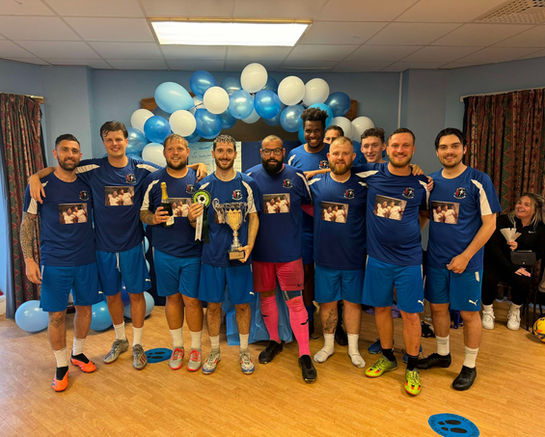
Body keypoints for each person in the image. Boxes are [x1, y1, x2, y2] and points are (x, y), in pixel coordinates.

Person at [29, 121, 206, 371]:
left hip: (132, 244)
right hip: (102, 247)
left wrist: (197, 165)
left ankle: (137, 344)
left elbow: (172, 168)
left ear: (126, 141)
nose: (115, 144)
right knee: (111, 295)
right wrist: (34, 176)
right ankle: (120, 339)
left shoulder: (142, 168)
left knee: (136, 295)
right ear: (104, 142)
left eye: (118, 139)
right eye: (109, 139)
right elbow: (62, 166)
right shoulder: (92, 168)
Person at [417, 127, 500, 391]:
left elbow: (490, 224)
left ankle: (470, 366)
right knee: (438, 308)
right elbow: (425, 216)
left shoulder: (479, 180)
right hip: (437, 260)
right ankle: (443, 355)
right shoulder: (430, 182)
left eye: (454, 146)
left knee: (468, 313)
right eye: (443, 147)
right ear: (437, 152)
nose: (449, 151)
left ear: (464, 149)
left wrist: (466, 255)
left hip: (467, 262)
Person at [21, 134, 101, 392]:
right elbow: (27, 224)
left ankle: (78, 354)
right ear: (55, 153)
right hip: (55, 261)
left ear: (80, 155)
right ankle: (61, 366)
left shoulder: (87, 181)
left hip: (86, 258)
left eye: (75, 151)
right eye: (65, 150)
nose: (70, 155)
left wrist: (35, 173)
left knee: (84, 309)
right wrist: (29, 259)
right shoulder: (40, 185)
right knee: (56, 316)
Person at [359, 128, 429, 396]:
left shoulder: (422, 183)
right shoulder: (370, 174)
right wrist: (309, 174)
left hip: (409, 260)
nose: (400, 150)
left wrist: (409, 234)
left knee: (411, 313)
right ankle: (388, 357)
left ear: (413, 149)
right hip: (377, 258)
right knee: (381, 308)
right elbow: (338, 168)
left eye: (406, 146)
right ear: (387, 148)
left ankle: (412, 365)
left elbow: (425, 214)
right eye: (396, 145)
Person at [246, 135, 316, 383]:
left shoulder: (297, 177)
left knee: (295, 302)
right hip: (261, 254)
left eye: (276, 151)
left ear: (283, 152)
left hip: (289, 254)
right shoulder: (250, 177)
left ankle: (304, 354)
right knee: (266, 299)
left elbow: (311, 206)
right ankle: (274, 341)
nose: (272, 156)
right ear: (261, 152)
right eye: (267, 151)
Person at [189, 134, 260, 375]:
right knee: (213, 306)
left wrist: (249, 245)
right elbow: (197, 225)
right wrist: (191, 218)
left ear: (235, 154)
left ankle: (244, 351)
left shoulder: (248, 183)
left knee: (243, 306)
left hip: (240, 257)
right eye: (220, 151)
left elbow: (254, 217)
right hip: (212, 257)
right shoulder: (203, 186)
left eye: (229, 151)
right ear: (213, 154)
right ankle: (214, 351)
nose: (225, 155)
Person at [140, 134, 204, 371]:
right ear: (164, 153)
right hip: (164, 252)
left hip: (193, 252)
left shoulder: (199, 179)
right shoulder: (153, 180)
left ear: (188, 152)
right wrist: (153, 218)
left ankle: (196, 348)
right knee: (172, 298)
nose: (175, 152)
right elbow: (143, 212)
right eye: (171, 149)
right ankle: (178, 346)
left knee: (192, 300)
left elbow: (208, 214)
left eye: (180, 148)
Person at [287, 110, 348, 345]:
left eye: (317, 130)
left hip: (331, 227)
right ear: (303, 130)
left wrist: (317, 172)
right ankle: (308, 318)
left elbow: (346, 170)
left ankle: (337, 323)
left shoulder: (334, 152)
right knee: (306, 275)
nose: (312, 135)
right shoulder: (294, 155)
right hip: (303, 228)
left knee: (333, 275)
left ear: (324, 130)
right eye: (308, 130)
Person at [308, 136, 368, 369]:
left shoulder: (364, 184)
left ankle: (353, 349)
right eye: (336, 153)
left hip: (354, 258)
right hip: (325, 258)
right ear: (328, 157)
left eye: (345, 153)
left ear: (353, 156)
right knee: (327, 304)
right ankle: (328, 346)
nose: (340, 157)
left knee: (352, 304)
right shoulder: (315, 184)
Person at [482, 192, 545, 330]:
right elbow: (493, 247)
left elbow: (539, 252)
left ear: (534, 210)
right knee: (488, 277)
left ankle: (515, 310)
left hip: (521, 266)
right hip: (497, 263)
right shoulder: (503, 220)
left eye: (526, 204)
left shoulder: (540, 228)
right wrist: (512, 267)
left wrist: (519, 247)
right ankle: (487, 310)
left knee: (524, 279)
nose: (520, 206)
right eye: (519, 202)